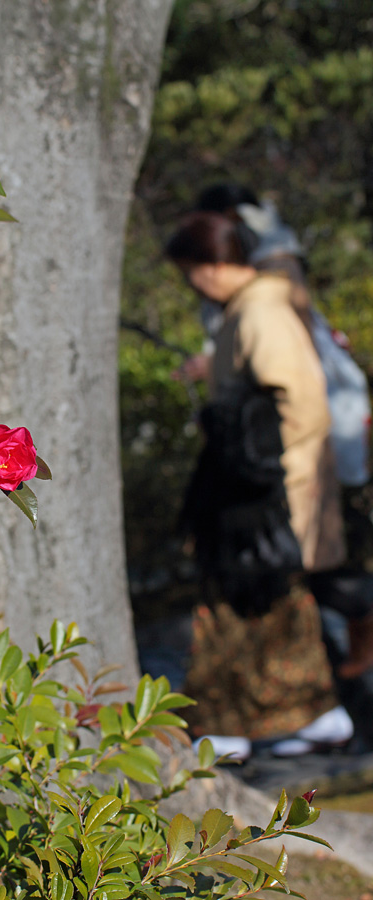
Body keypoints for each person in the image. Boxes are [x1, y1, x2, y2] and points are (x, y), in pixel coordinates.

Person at [166, 210, 352, 752]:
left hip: (269, 495)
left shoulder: (262, 314)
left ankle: (243, 725)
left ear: (217, 264)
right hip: (264, 492)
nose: (192, 285)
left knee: (255, 603)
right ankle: (286, 721)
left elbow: (299, 403)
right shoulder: (252, 311)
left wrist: (249, 459)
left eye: (193, 272)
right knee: (265, 607)